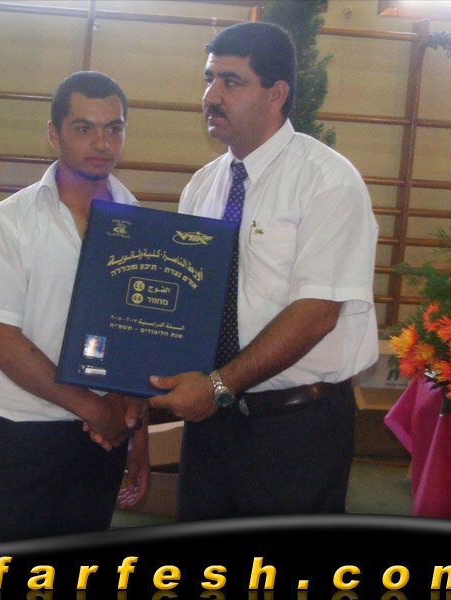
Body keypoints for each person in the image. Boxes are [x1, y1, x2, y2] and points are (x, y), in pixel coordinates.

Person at [148, 22, 379, 521]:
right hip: (212, 423)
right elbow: (190, 304)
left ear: (277, 94)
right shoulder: (203, 186)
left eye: (231, 82)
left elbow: (317, 312)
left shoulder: (327, 181)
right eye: (209, 79)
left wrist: (218, 385)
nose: (211, 96)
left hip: (296, 427)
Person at [0, 71, 149, 544]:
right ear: (54, 134)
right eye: (84, 128)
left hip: (103, 438)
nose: (101, 142)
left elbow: (141, 341)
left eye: (114, 128)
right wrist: (94, 408)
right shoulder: (10, 222)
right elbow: (4, 345)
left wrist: (137, 436)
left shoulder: (141, 223)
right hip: (23, 434)